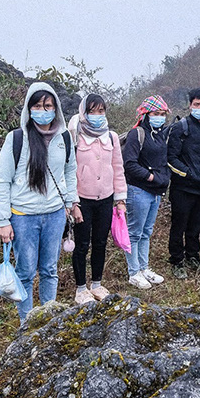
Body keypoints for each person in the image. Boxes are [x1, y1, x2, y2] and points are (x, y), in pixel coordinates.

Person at [0, 82, 78, 325]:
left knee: (50, 270)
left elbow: (70, 171)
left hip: (55, 215)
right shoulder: (16, 139)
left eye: (48, 105)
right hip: (23, 217)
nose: (43, 110)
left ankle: (49, 319)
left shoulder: (64, 138)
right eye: (38, 106)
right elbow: (1, 181)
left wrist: (71, 202)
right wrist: (3, 221)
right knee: (26, 273)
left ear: (56, 109)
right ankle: (28, 324)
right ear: (29, 109)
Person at [68, 93, 127, 305]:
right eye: (92, 111)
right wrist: (73, 203)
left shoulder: (111, 137)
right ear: (84, 113)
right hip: (83, 200)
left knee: (100, 242)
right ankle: (81, 288)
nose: (97, 115)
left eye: (101, 111)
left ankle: (97, 284)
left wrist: (120, 199)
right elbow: (69, 170)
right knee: (82, 244)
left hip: (106, 199)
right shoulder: (75, 135)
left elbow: (118, 168)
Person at [166, 87, 200, 279]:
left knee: (196, 226)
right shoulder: (181, 127)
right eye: (196, 104)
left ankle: (193, 257)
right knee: (178, 225)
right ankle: (176, 261)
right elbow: (171, 158)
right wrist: (189, 175)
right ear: (190, 105)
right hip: (183, 188)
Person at [121, 95, 171, 289]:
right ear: (146, 114)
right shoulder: (137, 134)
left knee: (146, 232)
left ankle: (144, 268)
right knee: (134, 232)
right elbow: (130, 164)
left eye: (162, 114)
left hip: (155, 192)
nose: (159, 117)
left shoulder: (160, 134)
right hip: (138, 190)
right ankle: (133, 272)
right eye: (156, 114)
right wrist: (150, 177)